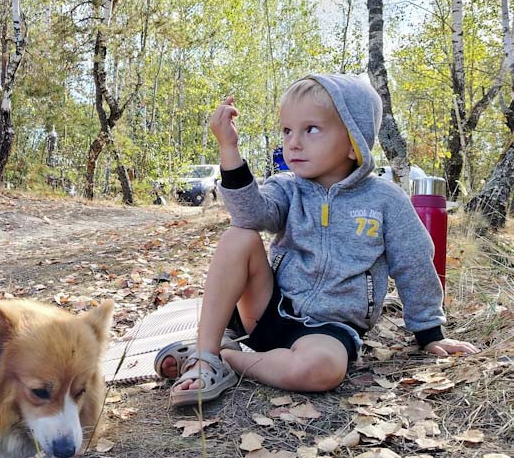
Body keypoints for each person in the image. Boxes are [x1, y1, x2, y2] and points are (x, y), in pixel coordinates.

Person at [155, 73, 478, 406]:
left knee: (322, 370)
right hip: (269, 308)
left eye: (311, 129)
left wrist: (429, 332)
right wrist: (229, 149)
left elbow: (413, 262)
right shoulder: (287, 187)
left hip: (328, 331)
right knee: (239, 236)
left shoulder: (385, 200)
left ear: (355, 142)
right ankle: (206, 356)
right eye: (287, 131)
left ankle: (229, 357)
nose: (293, 142)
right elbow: (249, 216)